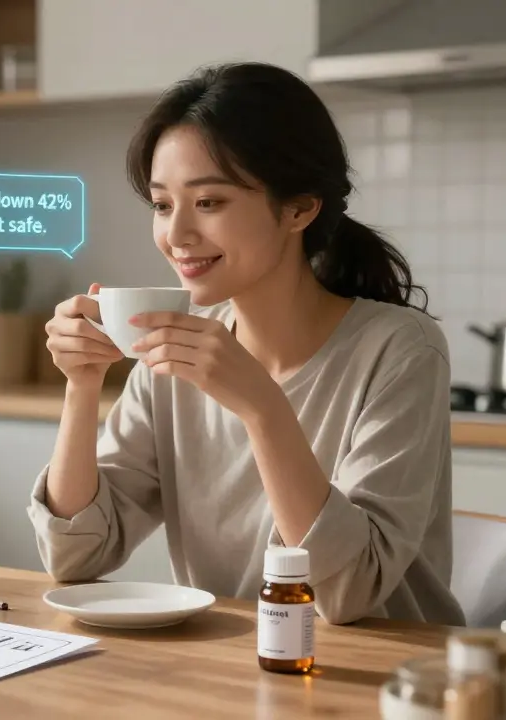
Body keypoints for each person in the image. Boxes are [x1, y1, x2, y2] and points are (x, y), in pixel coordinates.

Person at [29, 61, 466, 626]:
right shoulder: (170, 355)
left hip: (385, 684)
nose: (176, 234)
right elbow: (75, 556)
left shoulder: (401, 350)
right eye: (163, 205)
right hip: (238, 676)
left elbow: (347, 593)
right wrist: (81, 387)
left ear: (299, 209)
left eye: (209, 202)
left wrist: (261, 406)